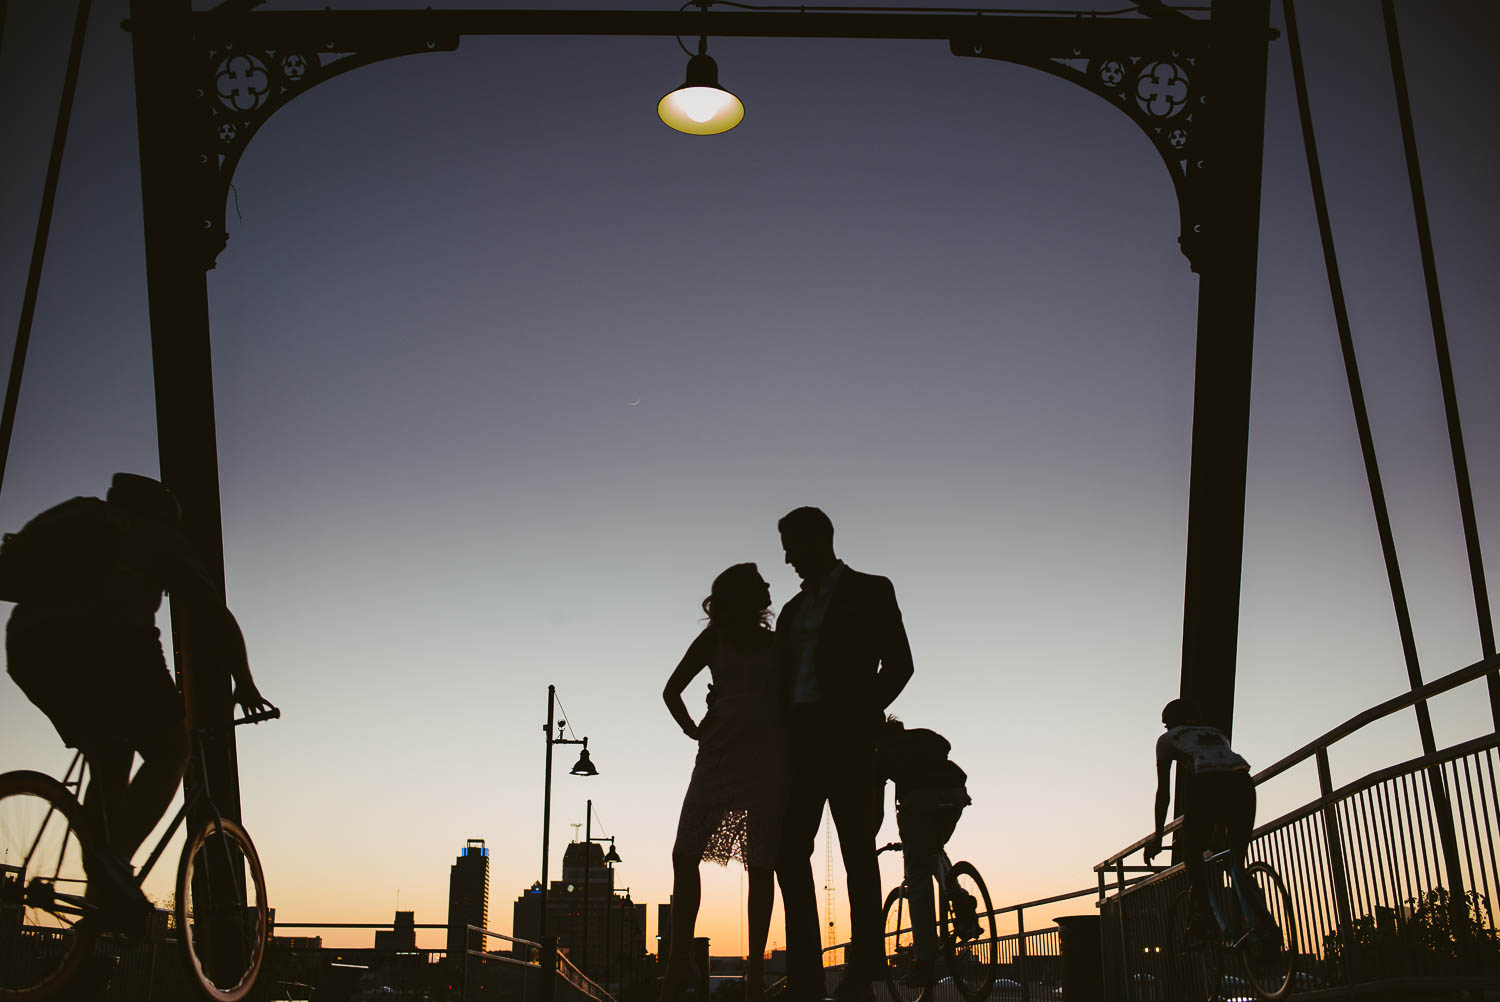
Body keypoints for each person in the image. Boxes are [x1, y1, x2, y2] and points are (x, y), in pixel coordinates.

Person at [2, 473, 272, 928]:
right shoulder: (158, 538)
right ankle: (111, 866)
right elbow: (214, 614)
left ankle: (102, 886)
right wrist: (242, 682)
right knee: (173, 746)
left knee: (109, 745)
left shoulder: (80, 516)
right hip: (109, 646)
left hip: (30, 647)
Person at [775, 506, 913, 1002]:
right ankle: (808, 978)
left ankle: (864, 970)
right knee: (789, 852)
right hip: (800, 742)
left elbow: (900, 664)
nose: (786, 557)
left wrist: (860, 714)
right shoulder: (790, 613)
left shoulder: (872, 589)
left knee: (857, 849)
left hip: (850, 740)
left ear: (818, 541)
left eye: (791, 545)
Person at [661, 563, 788, 1002]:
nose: (770, 586)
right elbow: (671, 689)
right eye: (761, 583)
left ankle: (754, 968)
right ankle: (680, 958)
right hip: (718, 754)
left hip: (767, 758)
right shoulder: (714, 640)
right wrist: (694, 729)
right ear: (744, 595)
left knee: (761, 863)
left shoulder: (778, 643)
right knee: (684, 854)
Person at [1143, 697, 1265, 941]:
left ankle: (1203, 915)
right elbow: (1223, 766)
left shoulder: (1167, 740)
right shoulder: (1216, 733)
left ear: (1170, 722)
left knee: (1191, 851)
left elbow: (1164, 793)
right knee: (1235, 862)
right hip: (1243, 784)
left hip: (1207, 784)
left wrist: (1158, 837)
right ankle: (1263, 923)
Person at [876, 716, 975, 989]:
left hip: (918, 802)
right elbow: (946, 745)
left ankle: (924, 962)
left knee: (917, 877)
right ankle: (959, 897)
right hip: (954, 795)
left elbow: (876, 784)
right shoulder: (923, 737)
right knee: (932, 849)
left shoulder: (884, 751)